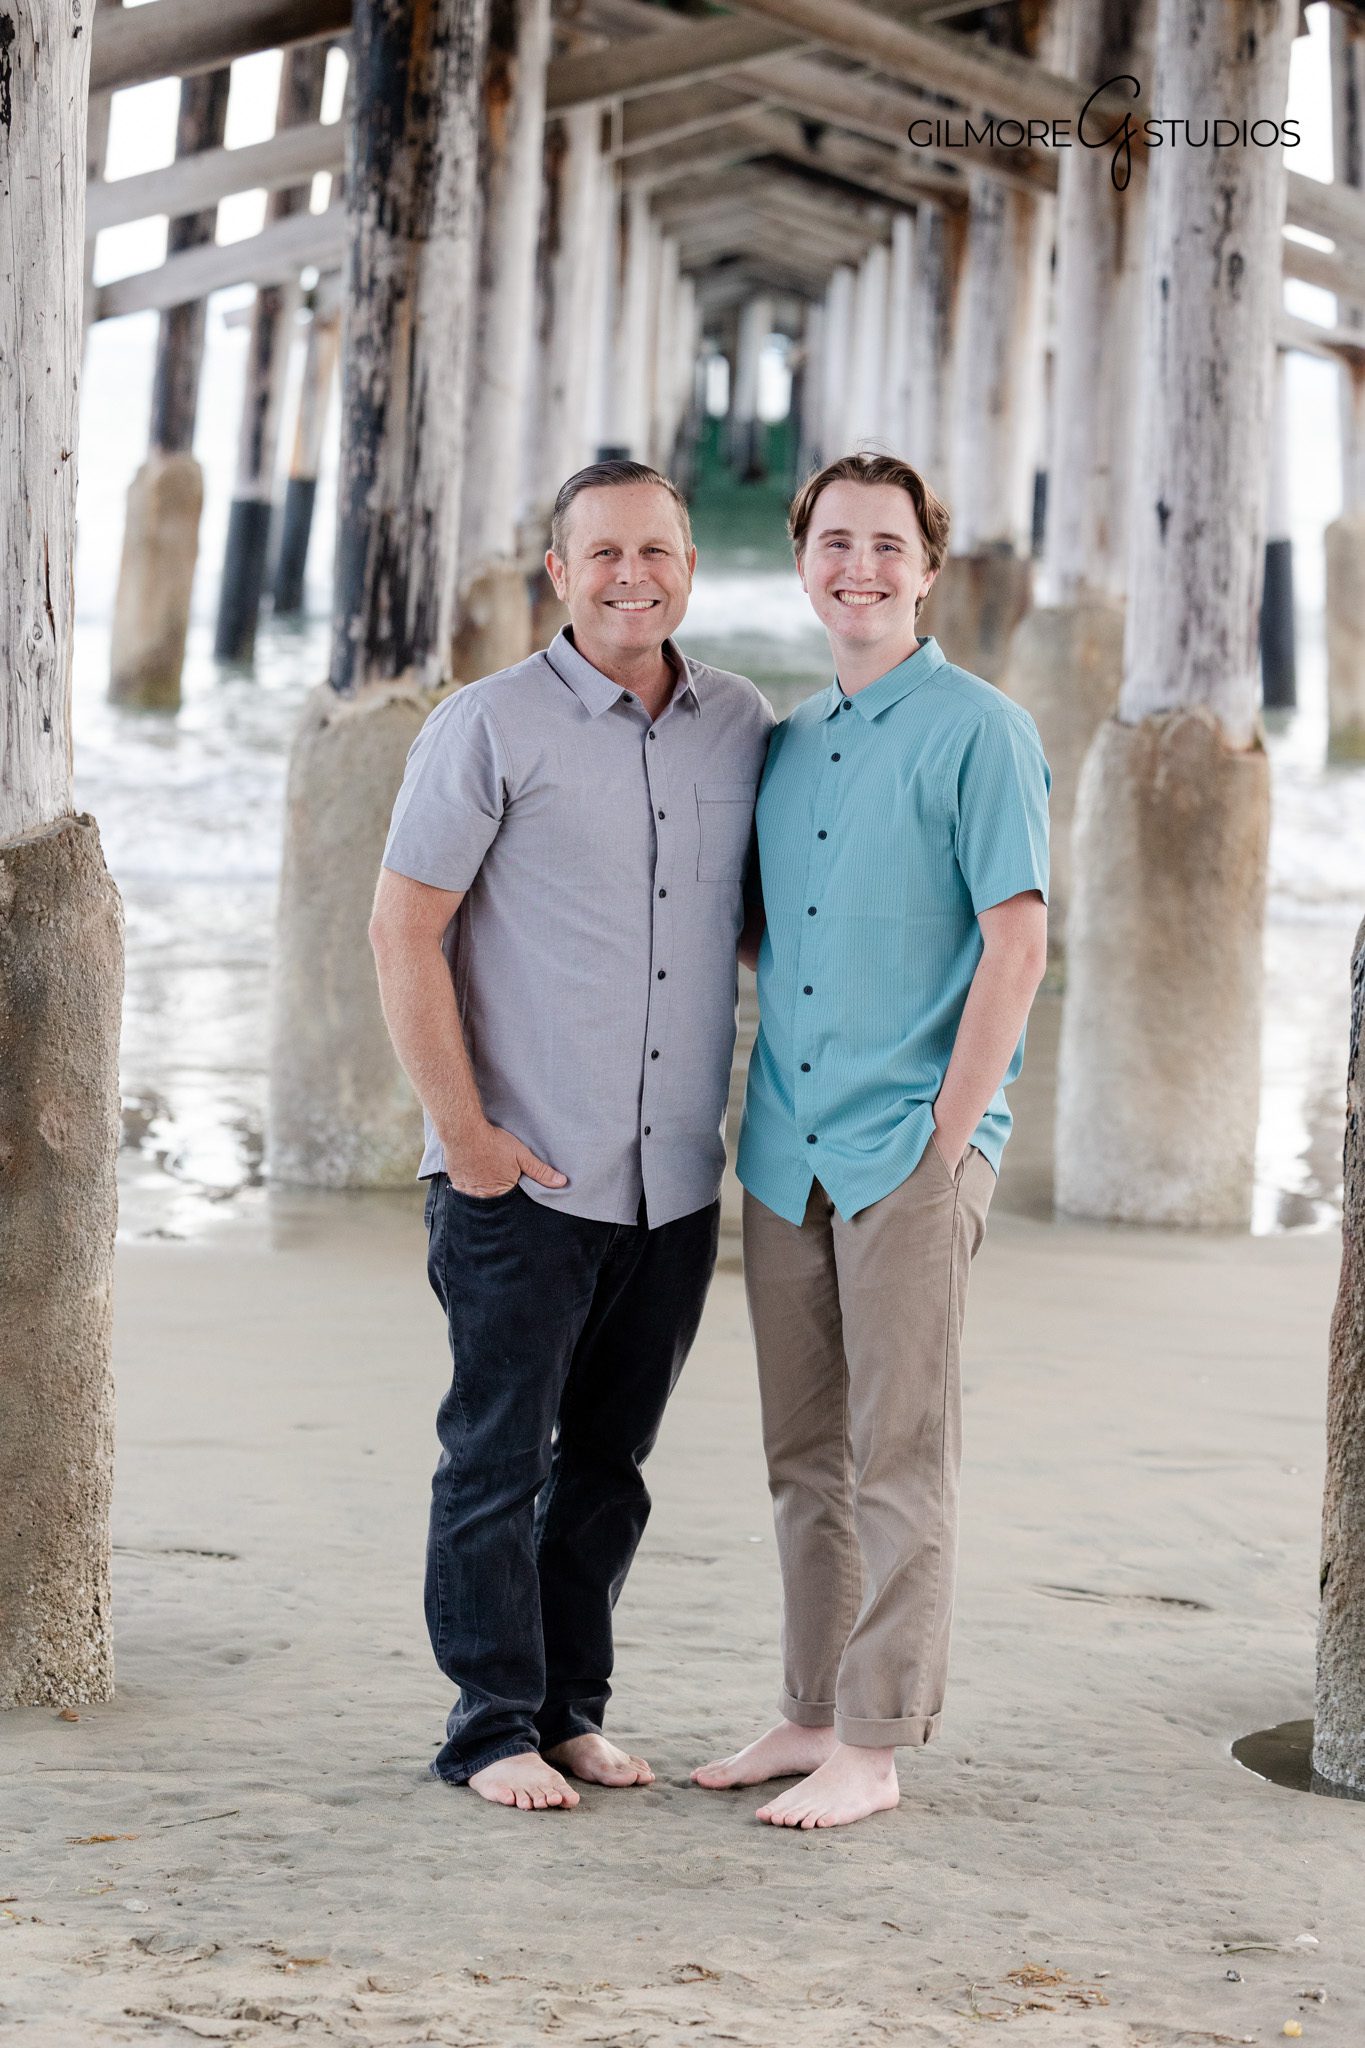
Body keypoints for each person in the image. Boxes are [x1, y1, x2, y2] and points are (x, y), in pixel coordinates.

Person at [370, 461, 773, 1812]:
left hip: (669, 1183)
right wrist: (465, 1136)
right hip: (523, 1176)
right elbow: (401, 928)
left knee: (607, 1469)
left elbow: (763, 929)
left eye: (654, 549)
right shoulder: (485, 727)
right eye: (600, 553)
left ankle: (567, 1712)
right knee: (494, 1461)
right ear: (558, 571)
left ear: (687, 566)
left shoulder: (741, 724)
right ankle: (486, 1727)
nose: (630, 576)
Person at [693, 452, 1050, 1829]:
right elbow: (759, 939)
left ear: (928, 569)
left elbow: (1016, 944)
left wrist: (947, 1139)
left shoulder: (981, 730)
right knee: (803, 1456)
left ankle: (877, 1740)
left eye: (886, 545)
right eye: (834, 541)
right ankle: (803, 1710)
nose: (859, 566)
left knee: (900, 1454)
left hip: (906, 1147)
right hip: (783, 1147)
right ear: (800, 564)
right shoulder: (783, 744)